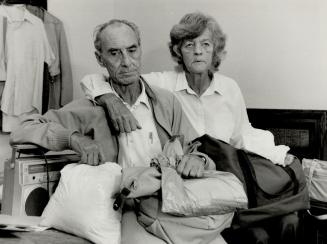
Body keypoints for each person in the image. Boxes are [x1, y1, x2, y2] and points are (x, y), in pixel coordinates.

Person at [80, 12, 299, 244]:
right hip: (184, 186)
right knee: (258, 236)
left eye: (205, 44)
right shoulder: (162, 83)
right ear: (177, 51)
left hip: (224, 180)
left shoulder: (229, 88)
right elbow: (113, 76)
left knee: (287, 222)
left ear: (215, 50)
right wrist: (108, 98)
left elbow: (242, 135)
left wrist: (277, 154)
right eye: (189, 44)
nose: (198, 51)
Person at [10, 19, 231, 244]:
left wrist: (197, 159)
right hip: (127, 209)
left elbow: (197, 147)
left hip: (171, 201)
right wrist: (73, 139)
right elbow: (23, 129)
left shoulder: (166, 102)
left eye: (132, 50)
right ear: (100, 59)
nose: (126, 62)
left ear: (140, 49)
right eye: (114, 53)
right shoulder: (90, 108)